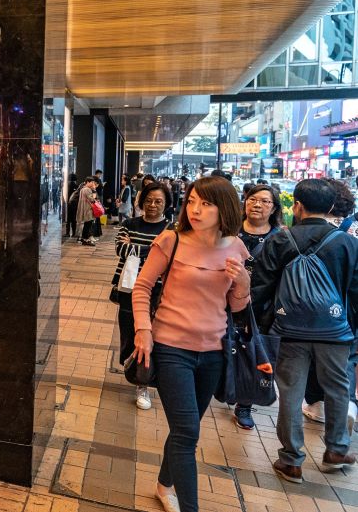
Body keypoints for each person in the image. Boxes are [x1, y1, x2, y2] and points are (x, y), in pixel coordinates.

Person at [132, 176, 251, 512]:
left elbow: (238, 306)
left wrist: (242, 283)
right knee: (187, 433)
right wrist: (143, 330)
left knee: (186, 429)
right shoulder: (172, 240)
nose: (195, 209)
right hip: (171, 348)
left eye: (206, 203)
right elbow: (141, 288)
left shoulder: (236, 247)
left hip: (213, 352)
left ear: (224, 208)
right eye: (192, 201)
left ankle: (163, 485)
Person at [251, 179, 358, 484]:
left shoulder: (280, 241)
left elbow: (261, 287)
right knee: (338, 389)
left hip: (289, 330)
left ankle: (290, 460)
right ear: (332, 208)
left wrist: (258, 327)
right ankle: (337, 450)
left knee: (290, 391)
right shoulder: (349, 243)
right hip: (336, 333)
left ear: (296, 206)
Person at [301, 179, 358, 425]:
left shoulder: (314, 228)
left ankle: (318, 404)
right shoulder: (352, 227)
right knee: (347, 357)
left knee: (315, 357)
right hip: (347, 307)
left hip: (313, 307)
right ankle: (349, 405)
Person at [229, 184, 284, 430]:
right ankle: (224, 386)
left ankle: (245, 404)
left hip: (260, 307)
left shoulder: (281, 238)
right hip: (224, 301)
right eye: (252, 199)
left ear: (273, 208)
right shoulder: (230, 231)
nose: (257, 205)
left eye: (265, 201)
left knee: (252, 352)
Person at [112, 182, 171, 410]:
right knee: (130, 334)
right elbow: (120, 249)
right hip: (129, 289)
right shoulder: (130, 224)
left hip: (159, 291)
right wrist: (155, 249)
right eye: (148, 201)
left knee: (153, 336)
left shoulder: (171, 229)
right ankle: (138, 375)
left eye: (158, 201)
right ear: (141, 202)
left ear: (166, 204)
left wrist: (137, 247)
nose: (153, 205)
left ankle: (144, 380)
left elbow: (171, 255)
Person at [77, 176, 99, 246]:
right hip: (88, 210)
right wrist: (94, 191)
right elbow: (92, 199)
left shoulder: (82, 189)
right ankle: (85, 239)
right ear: (88, 182)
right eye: (92, 182)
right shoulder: (87, 189)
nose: (93, 184)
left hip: (84, 209)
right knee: (88, 225)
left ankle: (84, 239)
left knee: (86, 225)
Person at [65, 174, 79, 239]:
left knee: (68, 219)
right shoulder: (76, 186)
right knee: (73, 219)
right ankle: (73, 233)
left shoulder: (66, 186)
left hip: (68, 204)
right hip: (74, 205)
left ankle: (67, 233)